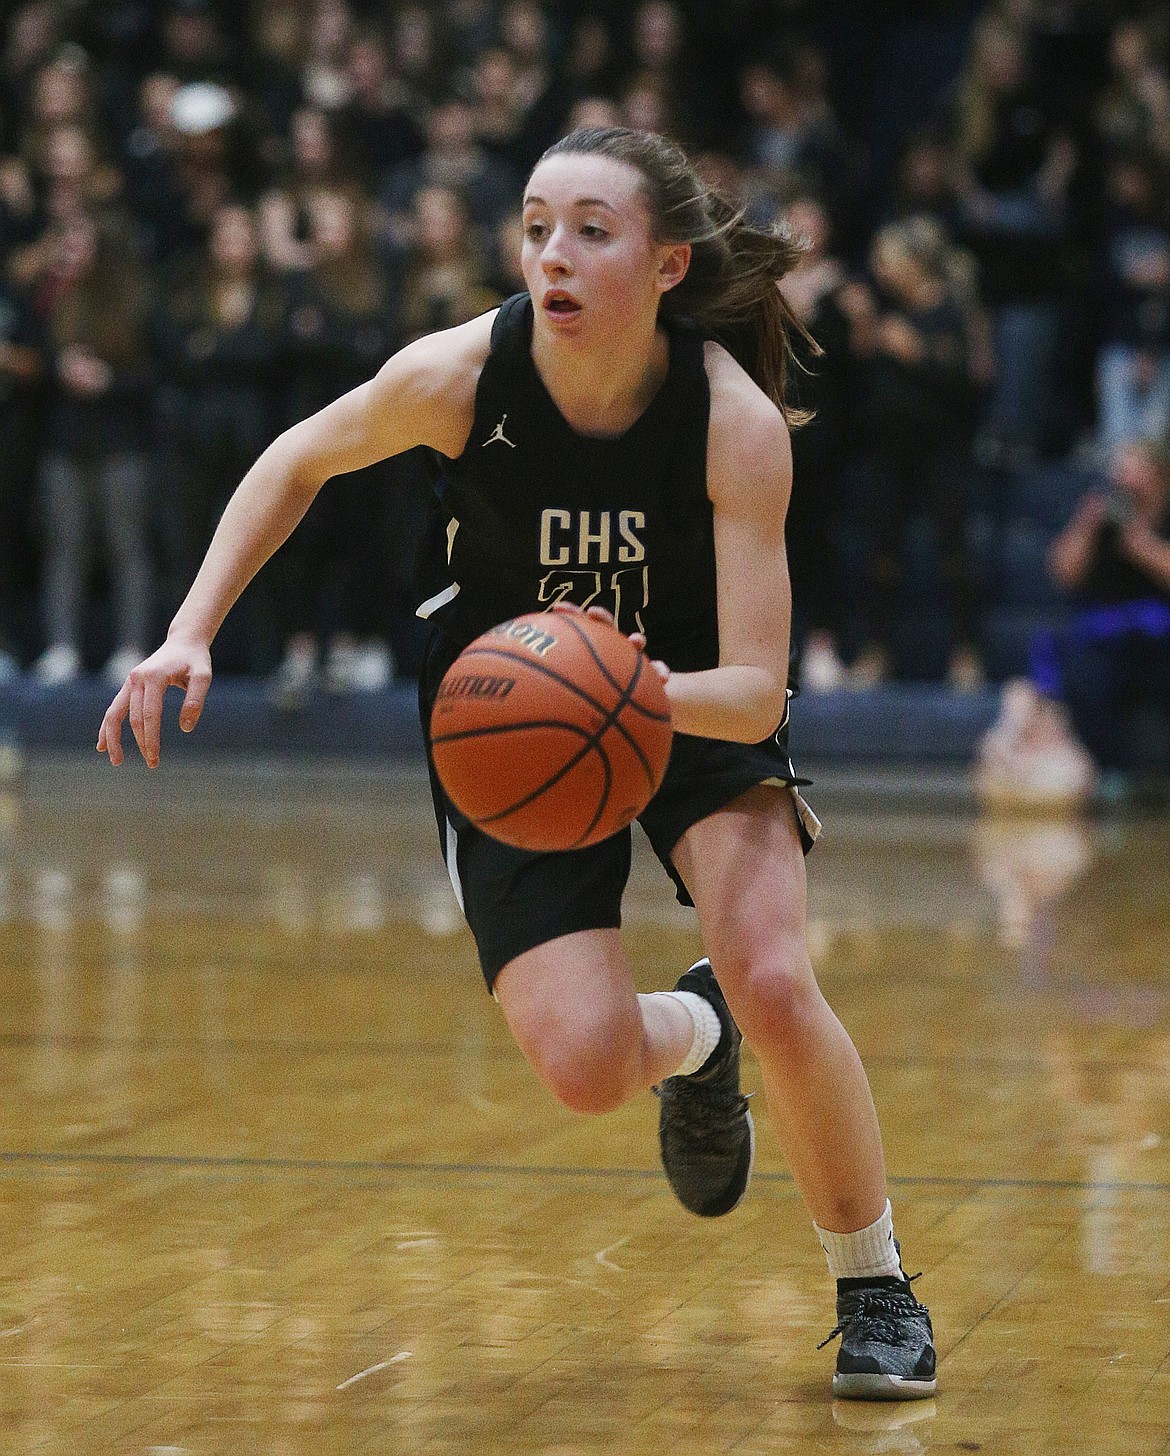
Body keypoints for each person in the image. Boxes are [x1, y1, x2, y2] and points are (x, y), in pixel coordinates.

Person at [97, 125, 936, 1401]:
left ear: (662, 266)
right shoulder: (457, 376)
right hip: (511, 716)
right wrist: (189, 630)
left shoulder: (733, 420)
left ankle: (873, 1278)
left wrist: (622, 688)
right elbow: (297, 457)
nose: (553, 253)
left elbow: (758, 687)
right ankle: (696, 1038)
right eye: (537, 224)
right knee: (588, 1067)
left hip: (691, 695)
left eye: (591, 230)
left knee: (774, 969)